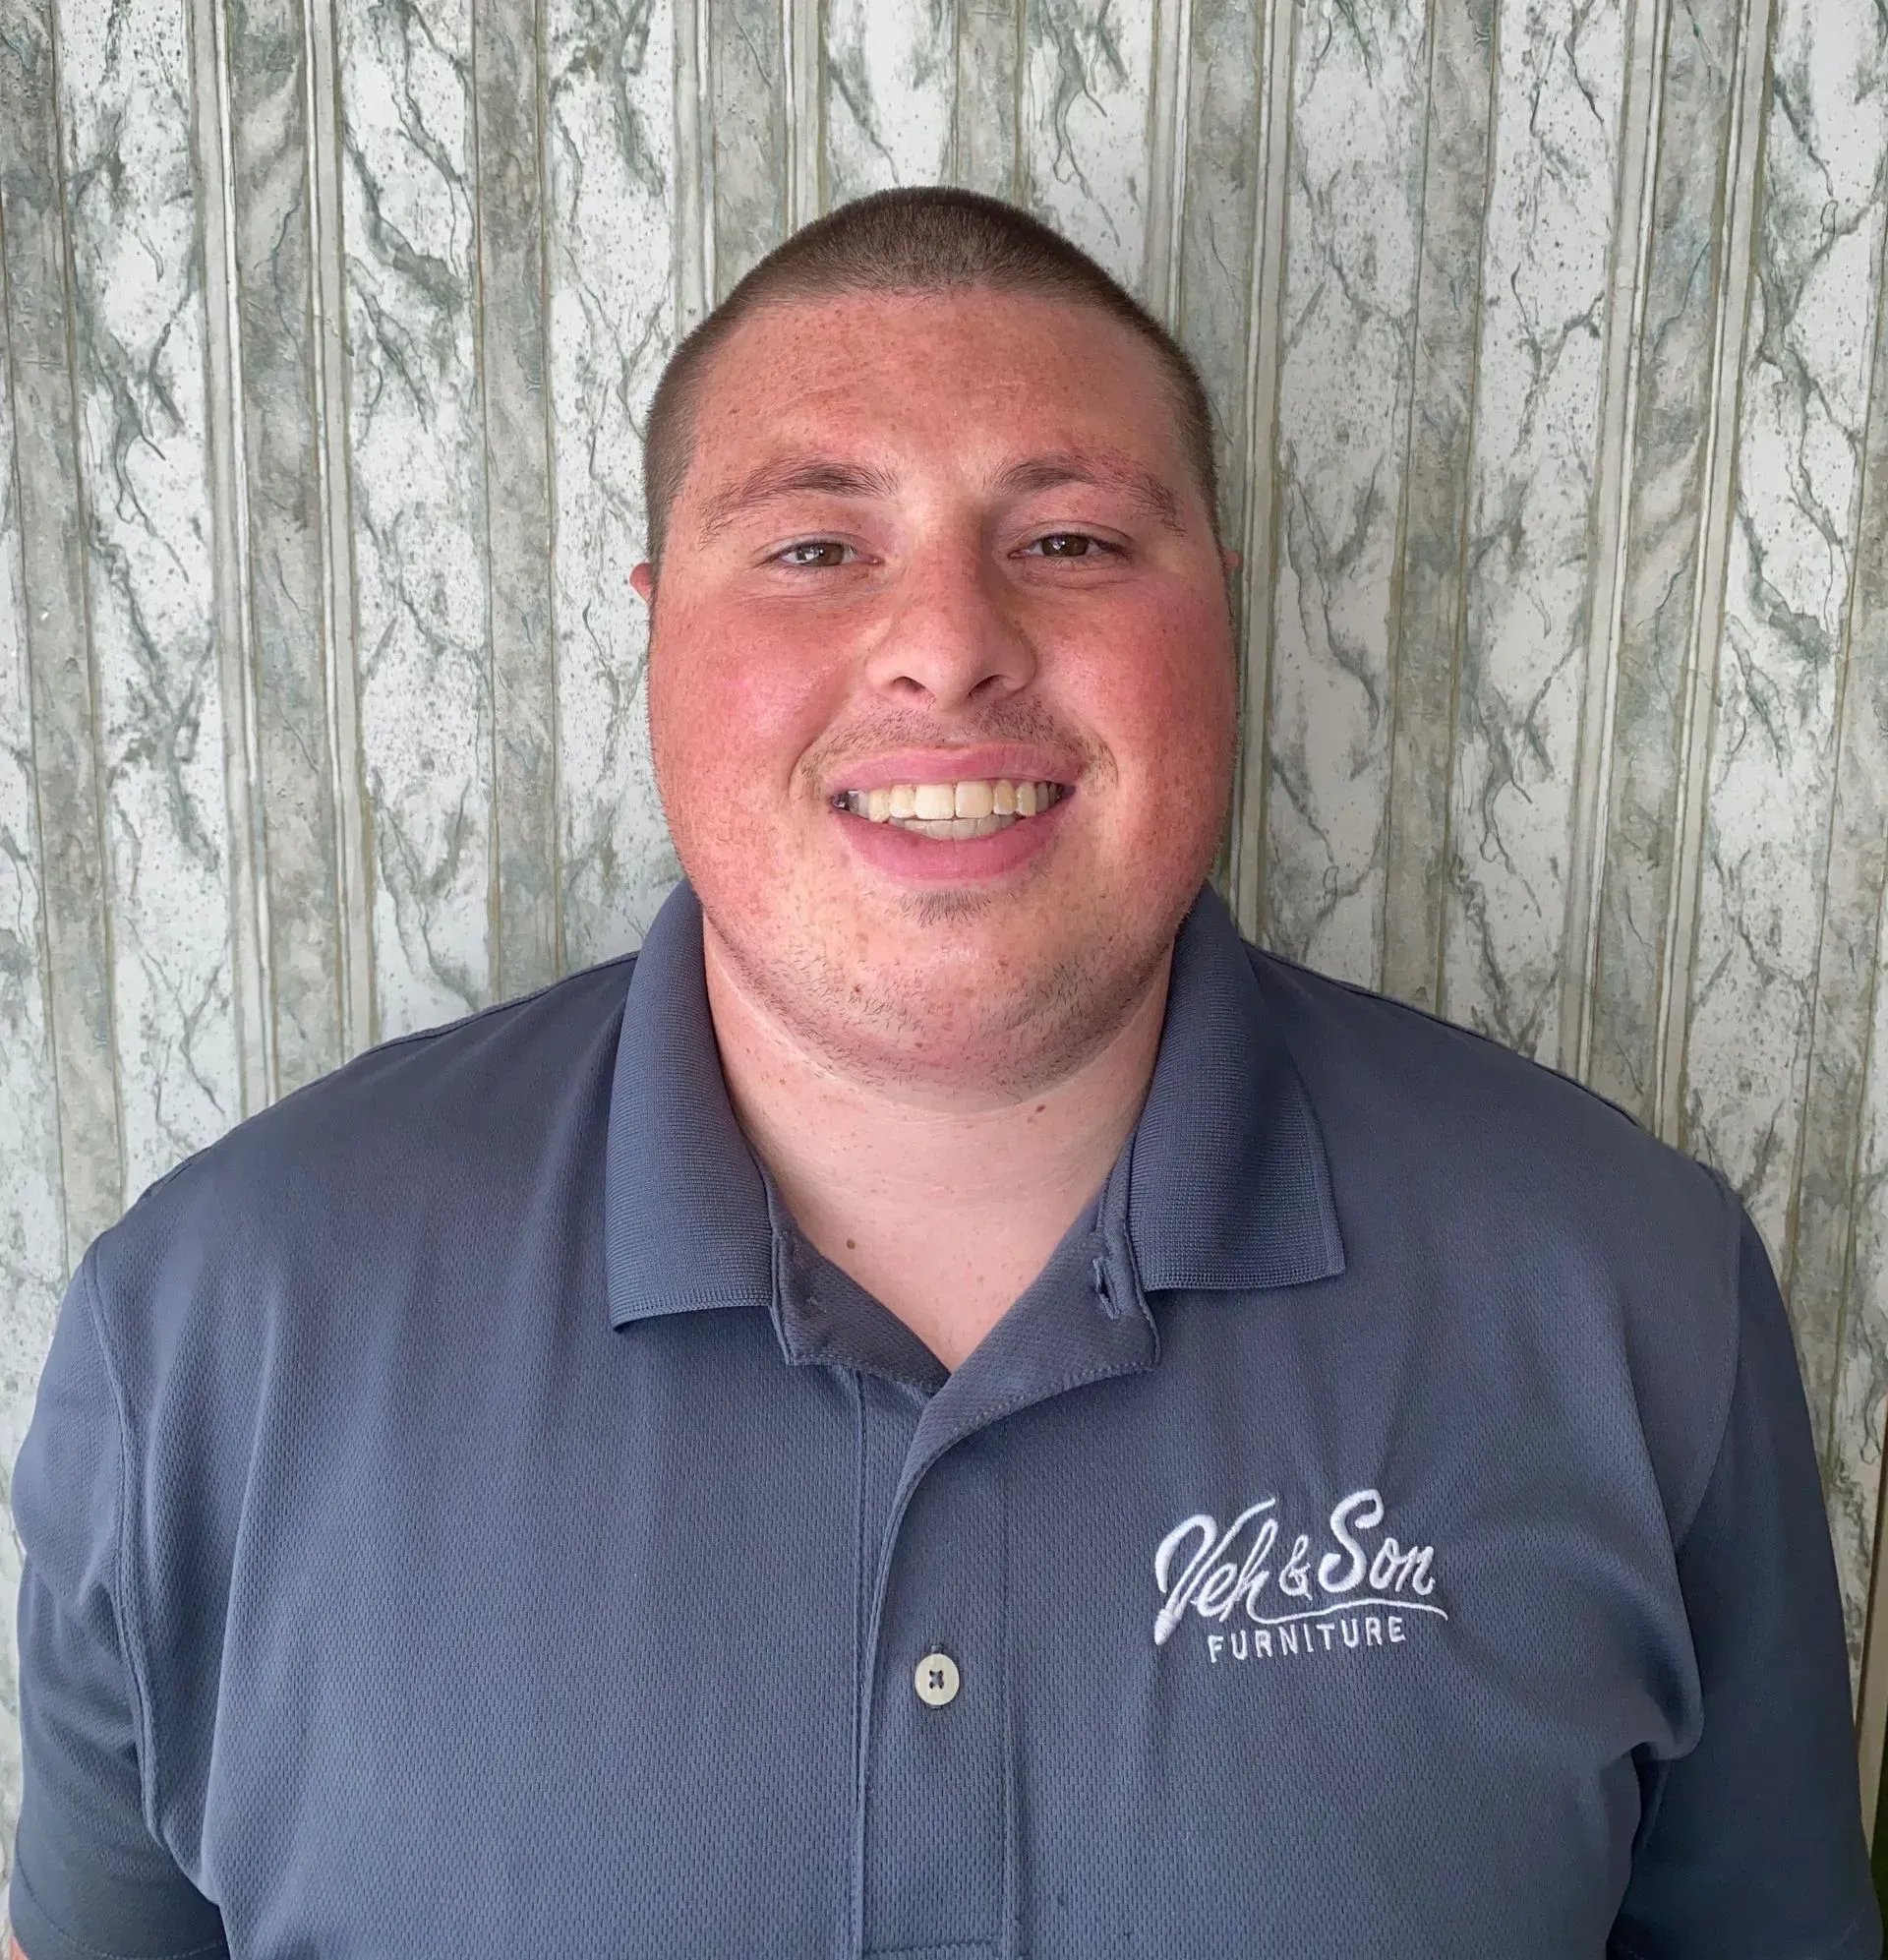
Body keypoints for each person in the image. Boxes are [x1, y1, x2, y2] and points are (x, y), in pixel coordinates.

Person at [7, 185, 1878, 1960]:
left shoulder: (1635, 1293)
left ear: (1218, 612)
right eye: (817, 545)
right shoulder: (204, 1339)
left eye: (1067, 539)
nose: (949, 647)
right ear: (658, 625)